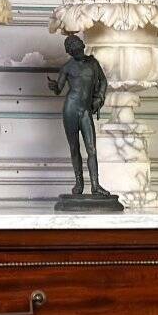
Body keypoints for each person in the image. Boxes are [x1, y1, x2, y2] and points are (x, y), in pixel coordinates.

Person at [47, 35, 113, 197]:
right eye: (74, 51)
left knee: (91, 148)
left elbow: (103, 81)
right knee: (74, 147)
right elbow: (59, 89)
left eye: (79, 50)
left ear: (83, 47)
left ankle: (95, 185)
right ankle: (79, 183)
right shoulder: (67, 67)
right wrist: (54, 86)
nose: (78, 53)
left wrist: (99, 98)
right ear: (70, 52)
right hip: (70, 109)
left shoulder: (93, 63)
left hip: (85, 110)